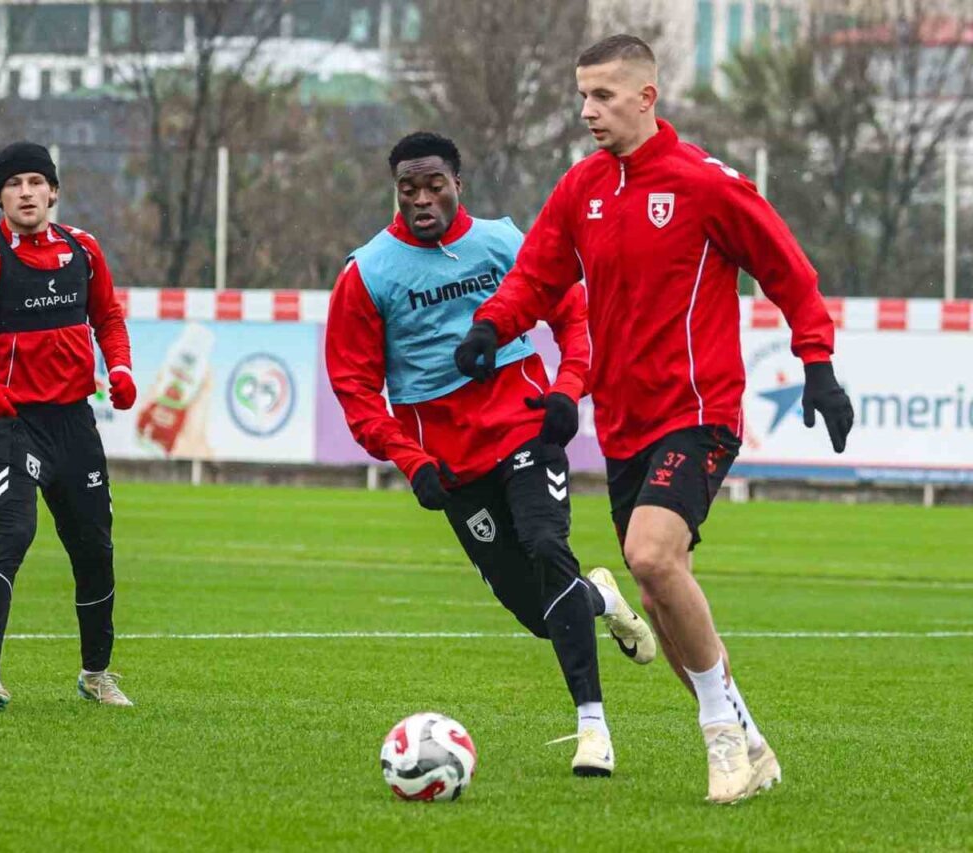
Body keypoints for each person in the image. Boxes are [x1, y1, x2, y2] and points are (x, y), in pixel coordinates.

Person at [455, 35, 855, 803]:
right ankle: (753, 742)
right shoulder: (582, 188)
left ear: (647, 97)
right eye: (582, 95)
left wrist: (818, 362)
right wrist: (489, 328)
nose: (587, 111)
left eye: (603, 96)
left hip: (699, 410)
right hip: (623, 423)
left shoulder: (704, 184)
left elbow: (787, 268)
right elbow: (535, 277)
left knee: (649, 555)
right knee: (659, 595)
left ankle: (721, 738)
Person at [326, 131, 657, 778]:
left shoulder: (504, 243)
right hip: (452, 465)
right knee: (539, 613)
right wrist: (411, 460)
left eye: (434, 186)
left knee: (546, 545)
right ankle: (600, 599)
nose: (422, 199)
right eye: (408, 189)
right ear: (396, 192)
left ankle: (593, 729)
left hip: (526, 429)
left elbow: (575, 316)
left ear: (458, 184)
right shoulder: (368, 273)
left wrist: (567, 389)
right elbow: (355, 388)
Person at [0, 142, 137, 710]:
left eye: (35, 182)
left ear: (53, 191)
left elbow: (108, 317)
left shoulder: (83, 250)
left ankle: (96, 674)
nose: (26, 192)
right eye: (13, 184)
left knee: (94, 549)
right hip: (11, 424)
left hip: (74, 424)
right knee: (12, 537)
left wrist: (120, 369)